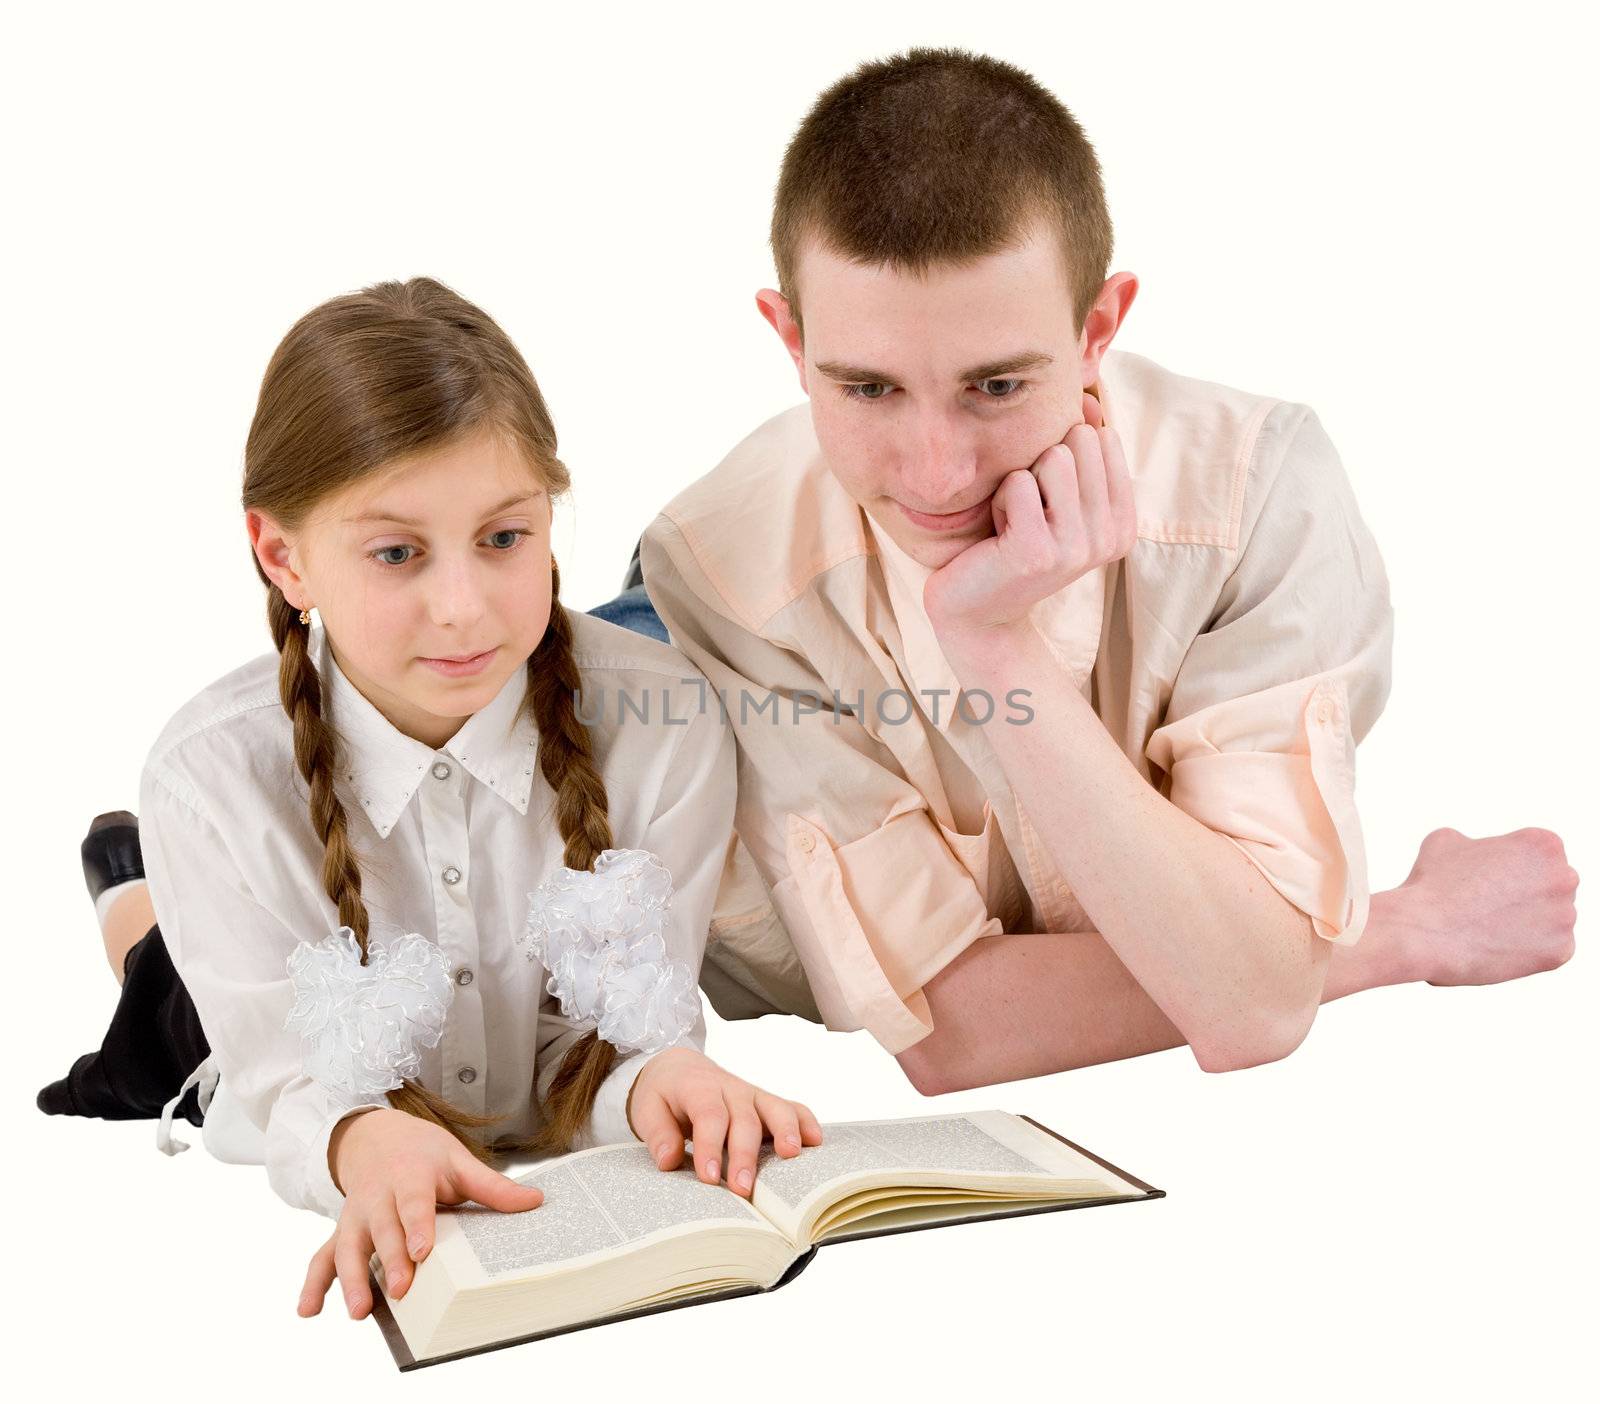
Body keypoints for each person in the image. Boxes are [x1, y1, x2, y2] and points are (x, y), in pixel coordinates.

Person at [591, 47, 1579, 1089]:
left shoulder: (1253, 496)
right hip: (662, 677)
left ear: (1098, 327)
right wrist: (1394, 930)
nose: (939, 470)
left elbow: (1245, 1006)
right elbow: (957, 1033)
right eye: (868, 389)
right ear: (789, 340)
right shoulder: (720, 569)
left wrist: (989, 641)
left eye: (997, 385)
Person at [37, 276, 822, 1322]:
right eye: (397, 552)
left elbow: (608, 1038)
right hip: (243, 1018)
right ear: (283, 555)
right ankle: (128, 887)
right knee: (152, 1004)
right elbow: (285, 1089)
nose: (464, 611)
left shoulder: (665, 720)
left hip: (377, 964)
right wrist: (361, 1140)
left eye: (504, 539)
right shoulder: (211, 781)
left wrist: (658, 1085)